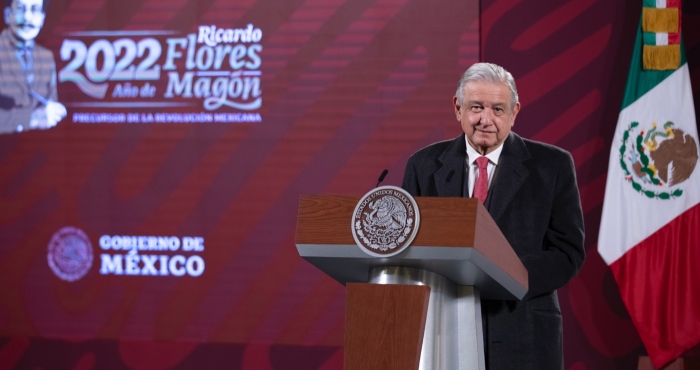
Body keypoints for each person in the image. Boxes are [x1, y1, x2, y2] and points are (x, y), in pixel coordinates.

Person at [402, 62, 585, 370]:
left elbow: (568, 253)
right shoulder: (423, 165)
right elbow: (408, 248)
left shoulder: (552, 166)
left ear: (514, 113)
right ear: (457, 108)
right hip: (442, 333)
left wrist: (501, 275)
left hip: (524, 333)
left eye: (498, 110)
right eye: (476, 107)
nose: (486, 120)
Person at [0, 0, 66, 134]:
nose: (27, 18)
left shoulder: (46, 57)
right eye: (21, 9)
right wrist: (31, 119)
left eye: (35, 10)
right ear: (7, 15)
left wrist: (57, 113)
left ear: (42, 19)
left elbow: (50, 109)